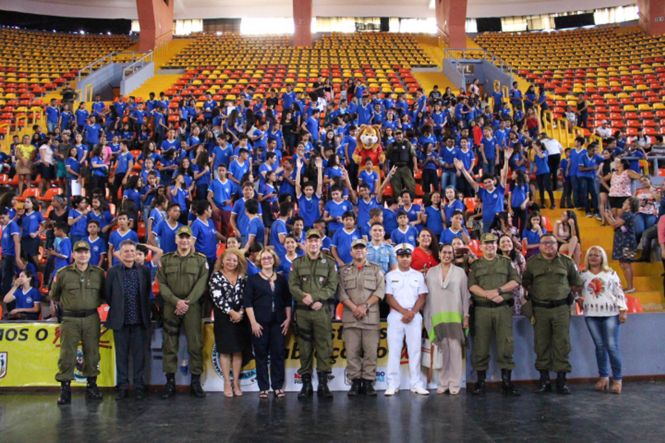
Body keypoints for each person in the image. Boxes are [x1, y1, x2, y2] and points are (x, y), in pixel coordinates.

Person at [523, 233, 583, 395]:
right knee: (541, 344)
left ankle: (561, 382)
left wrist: (569, 295)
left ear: (557, 245)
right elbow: (526, 282)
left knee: (562, 344)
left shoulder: (567, 262)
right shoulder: (532, 263)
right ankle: (544, 381)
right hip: (540, 309)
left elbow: (577, 282)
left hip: (561, 309)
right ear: (540, 246)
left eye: (552, 243)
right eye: (545, 243)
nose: (548, 246)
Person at [49, 241, 105, 405]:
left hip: (91, 318)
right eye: (79, 252)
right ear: (73, 254)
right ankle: (65, 389)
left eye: (85, 252)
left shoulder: (98, 273)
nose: (82, 255)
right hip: (70, 319)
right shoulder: (62, 273)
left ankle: (92, 385)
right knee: (67, 354)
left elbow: (103, 294)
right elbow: (55, 295)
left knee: (92, 353)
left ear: (90, 254)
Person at [156, 226, 209, 399]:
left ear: (191, 240)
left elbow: (202, 284)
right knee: (169, 344)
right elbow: (161, 284)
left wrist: (186, 302)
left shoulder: (200, 260)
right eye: (181, 237)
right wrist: (176, 301)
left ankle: (195, 382)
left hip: (192, 307)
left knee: (195, 344)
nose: (184, 240)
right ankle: (169, 382)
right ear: (176, 240)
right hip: (171, 306)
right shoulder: (166, 260)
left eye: (187, 238)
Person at [468, 232, 521, 396]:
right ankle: (480, 382)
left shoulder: (506, 263)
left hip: (502, 309)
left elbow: (516, 281)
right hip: (482, 309)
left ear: (496, 245)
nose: (490, 246)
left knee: (506, 344)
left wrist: (498, 291)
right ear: (481, 246)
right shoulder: (476, 265)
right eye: (486, 243)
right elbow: (471, 286)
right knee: (480, 346)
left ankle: (507, 382)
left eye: (492, 243)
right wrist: (487, 294)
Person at [288, 229, 339, 399]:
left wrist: (316, 298)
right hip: (302, 312)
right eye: (310, 240)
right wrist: (304, 297)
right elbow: (293, 285)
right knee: (304, 348)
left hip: (321, 311)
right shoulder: (297, 263)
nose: (313, 243)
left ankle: (323, 385)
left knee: (324, 347)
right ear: (305, 243)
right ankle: (306, 385)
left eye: (316, 240)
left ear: (320, 243)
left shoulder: (330, 263)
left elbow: (332, 286)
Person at [105, 240, 152, 400]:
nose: (130, 254)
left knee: (139, 357)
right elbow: (108, 295)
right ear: (120, 253)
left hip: (139, 321)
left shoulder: (144, 271)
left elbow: (147, 294)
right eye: (126, 251)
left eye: (132, 251)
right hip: (120, 321)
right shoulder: (113, 272)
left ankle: (139, 387)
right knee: (121, 356)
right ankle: (122, 387)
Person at [338, 238, 385, 397]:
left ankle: (368, 382)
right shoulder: (344, 271)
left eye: (362, 248)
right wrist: (354, 307)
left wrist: (364, 306)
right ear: (351, 252)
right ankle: (355, 382)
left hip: (370, 318)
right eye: (356, 248)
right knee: (352, 352)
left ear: (367, 251)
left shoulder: (375, 269)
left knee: (371, 352)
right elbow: (341, 293)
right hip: (351, 318)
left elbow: (380, 291)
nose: (359, 250)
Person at [578, 246, 627, 395]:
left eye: (597, 255)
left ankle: (617, 379)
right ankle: (603, 377)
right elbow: (574, 290)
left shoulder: (610, 273)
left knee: (612, 346)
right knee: (599, 347)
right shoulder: (582, 275)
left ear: (602, 258)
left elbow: (619, 292)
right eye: (591, 255)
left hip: (611, 313)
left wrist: (623, 310)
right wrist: (578, 300)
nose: (593, 257)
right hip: (591, 314)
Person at [244, 248, 292, 399]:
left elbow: (287, 300)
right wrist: (253, 323)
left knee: (278, 354)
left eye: (269, 258)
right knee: (261, 355)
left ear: (274, 260)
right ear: (259, 261)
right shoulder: (253, 279)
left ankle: (277, 386)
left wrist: (288, 318)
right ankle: (263, 387)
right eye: (263, 258)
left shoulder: (281, 279)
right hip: (259, 323)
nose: (266, 260)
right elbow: (248, 302)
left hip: (278, 322)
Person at [384, 243, 429, 396]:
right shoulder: (390, 276)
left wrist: (412, 312)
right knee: (394, 351)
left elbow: (422, 296)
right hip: (396, 316)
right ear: (397, 257)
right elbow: (389, 297)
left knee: (415, 350)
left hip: (414, 315)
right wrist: (404, 312)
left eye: (407, 256)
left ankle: (416, 384)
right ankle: (392, 384)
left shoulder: (418, 275)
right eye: (401, 256)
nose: (404, 259)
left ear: (411, 258)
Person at [424, 244, 470, 395]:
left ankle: (455, 383)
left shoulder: (460, 272)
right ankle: (443, 383)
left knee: (455, 350)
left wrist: (466, 315)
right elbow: (427, 297)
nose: (447, 255)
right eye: (444, 252)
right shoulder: (430, 272)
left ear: (453, 255)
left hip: (455, 315)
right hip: (437, 316)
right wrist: (428, 317)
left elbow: (465, 295)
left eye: (450, 253)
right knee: (442, 350)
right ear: (439, 254)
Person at [209, 248, 251, 397]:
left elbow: (247, 296)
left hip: (241, 317)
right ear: (222, 260)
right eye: (228, 259)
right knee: (225, 350)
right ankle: (227, 382)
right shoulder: (215, 277)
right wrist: (231, 312)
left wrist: (240, 312)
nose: (231, 262)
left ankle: (236, 383)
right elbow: (217, 297)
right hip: (223, 317)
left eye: (234, 260)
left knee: (238, 350)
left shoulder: (243, 277)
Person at [605, 197, 639, 293]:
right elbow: (617, 225)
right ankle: (629, 286)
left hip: (627, 243)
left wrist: (607, 216)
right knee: (623, 264)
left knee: (626, 264)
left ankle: (630, 287)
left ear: (629, 205)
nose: (623, 204)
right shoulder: (625, 215)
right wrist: (610, 216)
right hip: (623, 242)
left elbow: (615, 224)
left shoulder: (627, 215)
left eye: (625, 202)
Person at [498, 234, 527, 315]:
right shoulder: (496, 260)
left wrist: (524, 295)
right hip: (502, 295)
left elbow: (524, 275)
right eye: (503, 242)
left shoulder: (519, 257)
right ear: (499, 246)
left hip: (518, 295)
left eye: (508, 241)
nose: (506, 243)